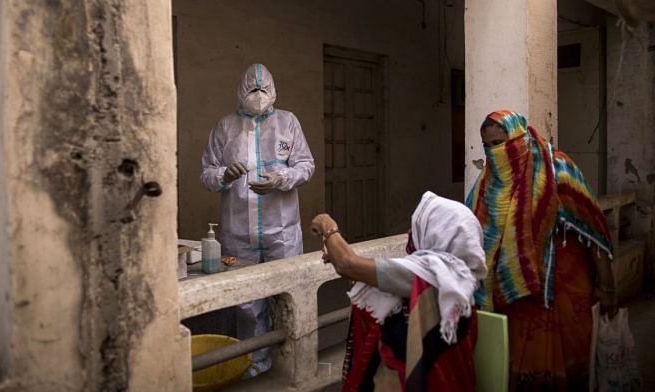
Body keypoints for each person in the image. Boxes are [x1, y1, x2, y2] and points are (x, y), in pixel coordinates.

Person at [466, 109, 617, 390]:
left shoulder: (556, 168)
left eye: (500, 143)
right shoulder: (489, 179)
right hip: (511, 297)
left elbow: (592, 227)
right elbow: (472, 225)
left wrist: (607, 288)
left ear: (519, 138)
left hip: (561, 288)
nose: (494, 151)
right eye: (488, 146)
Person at [200, 63, 315, 376]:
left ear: (274, 91)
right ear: (241, 91)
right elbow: (207, 174)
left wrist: (281, 178)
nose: (259, 95)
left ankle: (295, 360)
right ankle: (256, 365)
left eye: (264, 89)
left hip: (282, 232)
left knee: (290, 295)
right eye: (253, 89)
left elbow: (306, 165)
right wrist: (224, 174)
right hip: (239, 232)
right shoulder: (224, 127)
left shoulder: (287, 122)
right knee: (248, 304)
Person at [311, 191, 487, 391]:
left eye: (417, 227)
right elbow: (378, 282)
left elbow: (346, 264)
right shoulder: (460, 275)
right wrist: (349, 267)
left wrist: (328, 227)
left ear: (436, 232)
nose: (410, 234)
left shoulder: (431, 273)